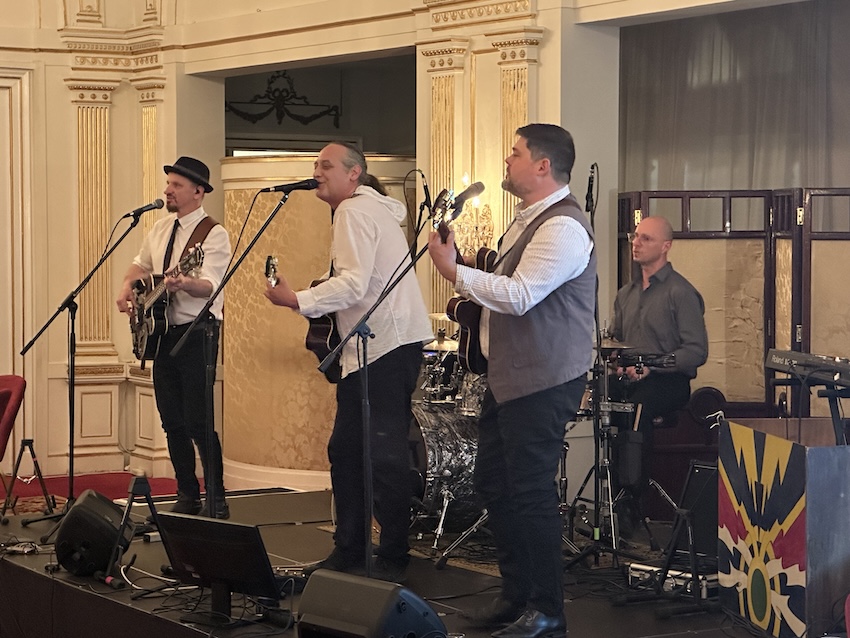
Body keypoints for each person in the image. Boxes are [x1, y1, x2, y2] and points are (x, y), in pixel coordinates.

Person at [429, 123, 595, 638]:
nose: (507, 159)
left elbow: (521, 295)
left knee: (529, 492)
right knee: (494, 484)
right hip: (512, 377)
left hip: (543, 379)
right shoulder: (528, 222)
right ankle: (517, 595)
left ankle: (547, 611)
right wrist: (464, 270)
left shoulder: (564, 227)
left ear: (543, 165)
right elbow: (508, 287)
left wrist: (454, 272)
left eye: (516, 152)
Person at [264, 142, 432, 583]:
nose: (316, 172)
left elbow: (355, 285)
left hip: (385, 345)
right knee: (354, 450)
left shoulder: (354, 212)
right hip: (378, 347)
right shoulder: (367, 210)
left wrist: (296, 299)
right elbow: (362, 280)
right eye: (315, 165)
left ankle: (387, 553)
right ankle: (358, 547)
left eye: (326, 165)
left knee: (379, 454)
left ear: (354, 173)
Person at [116, 156, 232, 519]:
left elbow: (210, 285)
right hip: (162, 334)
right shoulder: (161, 227)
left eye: (177, 185)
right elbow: (141, 264)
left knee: (199, 420)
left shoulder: (213, 234)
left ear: (198, 192)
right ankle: (186, 493)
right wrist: (127, 285)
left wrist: (185, 283)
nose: (168, 190)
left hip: (197, 333)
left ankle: (216, 496)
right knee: (172, 421)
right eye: (168, 184)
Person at [609, 215, 708, 534]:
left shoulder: (681, 292)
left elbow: (696, 351)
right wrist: (617, 363)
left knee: (639, 406)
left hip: (669, 381)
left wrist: (652, 366)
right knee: (601, 399)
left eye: (646, 238)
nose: (636, 243)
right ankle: (610, 495)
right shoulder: (625, 294)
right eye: (635, 236)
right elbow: (615, 342)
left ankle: (631, 501)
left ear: (666, 246)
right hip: (631, 377)